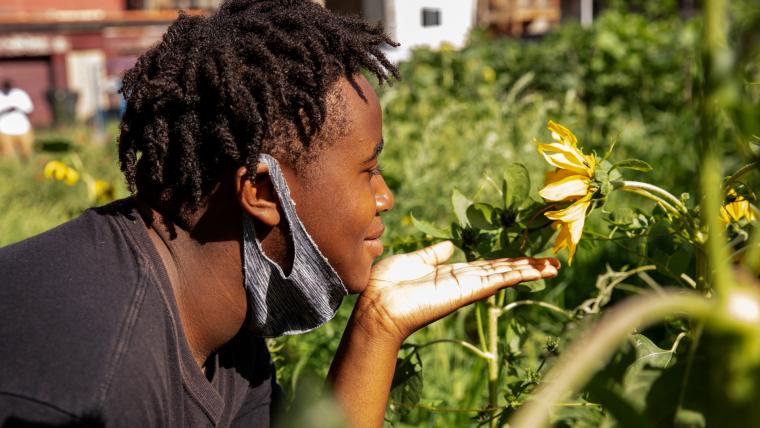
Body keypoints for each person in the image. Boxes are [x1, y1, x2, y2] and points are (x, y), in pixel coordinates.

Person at [0, 1, 560, 426]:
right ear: (264, 192)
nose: (385, 197)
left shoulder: (220, 317)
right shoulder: (100, 391)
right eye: (368, 171)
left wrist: (377, 328)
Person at [0, 79, 34, 161]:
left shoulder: (20, 94)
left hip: (22, 128)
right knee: (7, 154)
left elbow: (29, 110)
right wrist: (8, 110)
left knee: (27, 152)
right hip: (4, 129)